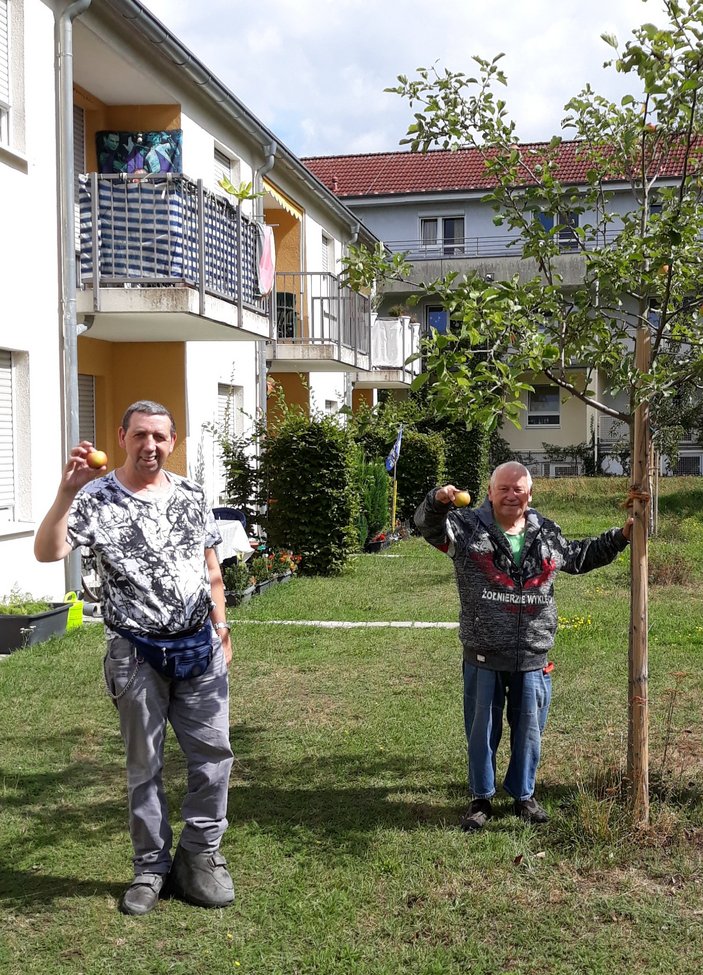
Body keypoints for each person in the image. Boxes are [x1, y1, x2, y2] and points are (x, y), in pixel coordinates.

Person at [34, 401, 235, 916]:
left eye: (160, 437)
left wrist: (221, 625)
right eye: (140, 435)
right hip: (135, 654)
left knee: (214, 759)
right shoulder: (96, 497)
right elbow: (47, 551)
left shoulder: (191, 493)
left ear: (173, 441)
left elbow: (211, 567)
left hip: (200, 648)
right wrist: (65, 491)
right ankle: (150, 867)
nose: (151, 446)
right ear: (121, 436)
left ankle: (200, 856)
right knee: (144, 765)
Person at [414, 461, 633, 832]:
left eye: (519, 489)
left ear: (529, 495)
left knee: (529, 730)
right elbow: (426, 526)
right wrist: (438, 501)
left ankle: (523, 795)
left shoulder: (544, 531)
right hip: (484, 651)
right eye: (504, 488)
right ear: (490, 492)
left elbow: (580, 556)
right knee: (482, 731)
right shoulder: (467, 528)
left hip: (533, 653)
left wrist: (622, 536)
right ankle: (481, 798)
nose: (511, 494)